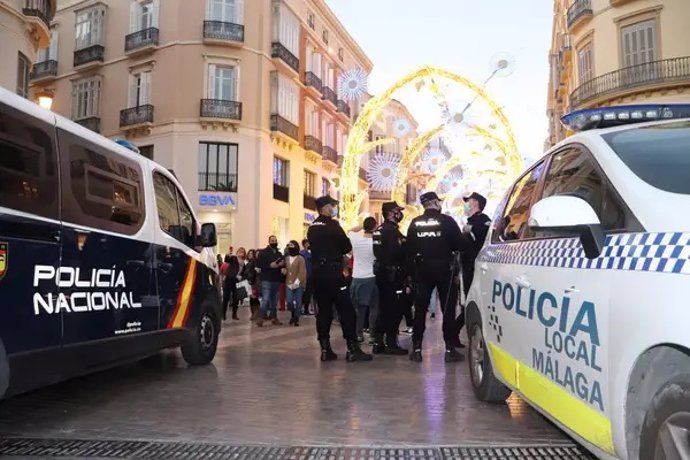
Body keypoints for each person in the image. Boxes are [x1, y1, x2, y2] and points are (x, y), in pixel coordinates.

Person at [307, 195, 372, 362]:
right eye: (332, 205)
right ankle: (352, 347)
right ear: (325, 208)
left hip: (318, 273)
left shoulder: (312, 227)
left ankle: (325, 348)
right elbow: (346, 246)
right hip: (333, 272)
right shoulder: (333, 225)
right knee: (346, 309)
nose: (334, 208)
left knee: (324, 310)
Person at [406, 191, 464, 363]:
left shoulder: (415, 223)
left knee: (420, 310)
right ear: (434, 203)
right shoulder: (447, 221)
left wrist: (411, 275)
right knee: (447, 310)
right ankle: (449, 350)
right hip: (445, 270)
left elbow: (408, 250)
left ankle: (416, 349)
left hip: (422, 270)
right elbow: (459, 244)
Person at [454, 192, 492, 343]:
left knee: (471, 300)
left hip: (476, 268)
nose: (465, 204)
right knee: (467, 301)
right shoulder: (471, 222)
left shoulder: (483, 222)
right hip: (468, 267)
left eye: (468, 201)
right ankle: (455, 332)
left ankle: (455, 331)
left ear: (476, 203)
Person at [372, 202, 408, 355]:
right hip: (392, 275)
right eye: (397, 211)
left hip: (382, 273)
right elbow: (397, 252)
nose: (400, 214)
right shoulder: (391, 231)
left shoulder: (379, 230)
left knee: (383, 308)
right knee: (393, 310)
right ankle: (391, 343)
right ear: (390, 213)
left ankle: (378, 341)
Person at [348, 217, 378, 343]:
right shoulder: (375, 242)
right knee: (374, 308)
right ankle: (372, 335)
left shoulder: (355, 239)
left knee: (360, 309)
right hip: (371, 276)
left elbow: (350, 230)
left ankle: (358, 334)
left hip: (356, 277)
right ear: (375, 227)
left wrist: (362, 225)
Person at [256, 235, 285, 327]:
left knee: (274, 300)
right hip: (266, 278)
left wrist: (282, 267)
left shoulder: (279, 254)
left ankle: (274, 317)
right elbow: (259, 264)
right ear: (269, 241)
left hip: (276, 279)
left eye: (275, 240)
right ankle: (261, 318)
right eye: (272, 240)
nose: (274, 242)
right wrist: (270, 265)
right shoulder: (263, 253)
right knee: (265, 298)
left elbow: (282, 264)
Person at [285, 240, 307, 326]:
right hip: (288, 283)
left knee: (298, 302)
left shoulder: (300, 258)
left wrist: (297, 282)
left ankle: (296, 317)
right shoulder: (286, 258)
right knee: (289, 301)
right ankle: (293, 313)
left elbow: (302, 271)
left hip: (299, 283)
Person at [244, 249, 261, 321]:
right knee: (252, 298)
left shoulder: (255, 263)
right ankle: (253, 313)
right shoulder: (248, 263)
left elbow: (254, 273)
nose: (250, 254)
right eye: (249, 253)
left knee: (254, 298)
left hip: (255, 282)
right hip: (249, 282)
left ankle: (256, 314)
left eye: (252, 253)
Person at [300, 239, 313, 315]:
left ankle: (306, 309)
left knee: (309, 293)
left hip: (311, 276)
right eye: (307, 243)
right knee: (304, 293)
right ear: (304, 244)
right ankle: (300, 308)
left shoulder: (312, 253)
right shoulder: (302, 254)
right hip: (304, 276)